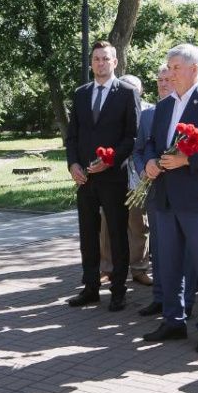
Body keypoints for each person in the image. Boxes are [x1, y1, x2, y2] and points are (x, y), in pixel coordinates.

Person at [140, 44, 198, 354]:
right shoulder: (165, 105)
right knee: (167, 265)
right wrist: (150, 162)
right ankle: (173, 320)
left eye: (175, 68)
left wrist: (187, 162)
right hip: (165, 198)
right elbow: (152, 144)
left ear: (194, 70)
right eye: (167, 67)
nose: (168, 73)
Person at [64, 40, 139, 311]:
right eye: (96, 59)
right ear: (91, 62)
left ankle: (118, 290)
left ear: (115, 62)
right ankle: (90, 287)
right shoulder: (81, 93)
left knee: (118, 234)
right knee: (87, 234)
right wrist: (72, 164)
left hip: (113, 178)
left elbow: (132, 137)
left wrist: (110, 161)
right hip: (84, 179)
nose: (100, 63)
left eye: (105, 59)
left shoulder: (127, 93)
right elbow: (72, 136)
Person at [136, 65, 196, 317]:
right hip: (155, 190)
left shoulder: (190, 111)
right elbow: (140, 149)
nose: (162, 83)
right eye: (159, 80)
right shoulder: (150, 114)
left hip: (185, 192)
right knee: (159, 248)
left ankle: (184, 301)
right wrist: (144, 169)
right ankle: (159, 297)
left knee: (184, 250)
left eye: (167, 79)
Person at [98, 74, 150, 286]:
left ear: (141, 91)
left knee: (138, 223)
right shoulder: (108, 108)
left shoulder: (150, 111)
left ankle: (139, 268)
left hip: (137, 175)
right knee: (107, 223)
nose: (130, 91)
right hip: (113, 174)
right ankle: (107, 268)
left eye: (134, 88)